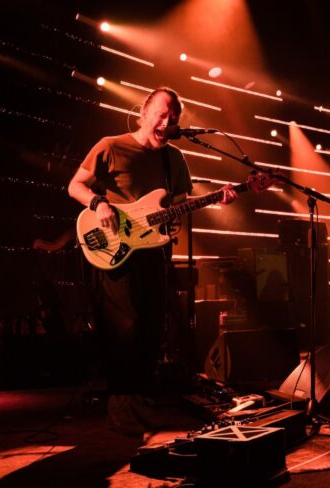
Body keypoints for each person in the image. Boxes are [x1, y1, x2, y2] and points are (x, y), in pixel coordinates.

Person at [68, 86, 237, 436]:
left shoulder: (173, 158)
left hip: (154, 250)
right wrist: (99, 204)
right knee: (123, 325)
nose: (168, 122)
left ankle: (139, 399)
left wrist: (213, 200)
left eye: (173, 118)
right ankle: (119, 400)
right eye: (162, 114)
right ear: (143, 113)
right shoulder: (110, 146)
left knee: (151, 325)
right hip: (114, 249)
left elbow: (174, 204)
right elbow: (76, 186)